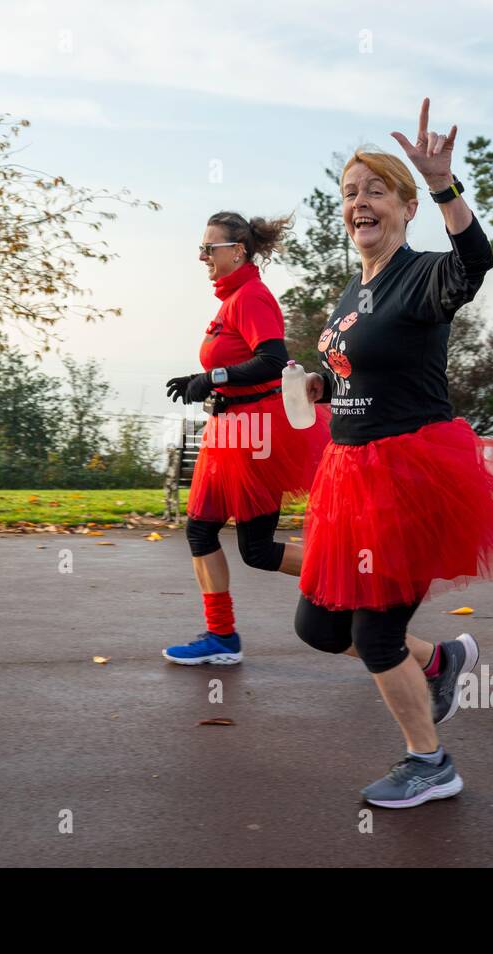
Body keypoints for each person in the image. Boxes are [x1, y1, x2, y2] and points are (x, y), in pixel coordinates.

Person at [294, 100, 493, 808]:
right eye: (351, 192)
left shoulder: (423, 274)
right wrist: (319, 383)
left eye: (376, 190)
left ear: (406, 204)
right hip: (349, 473)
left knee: (375, 630)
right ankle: (442, 660)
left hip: (410, 475)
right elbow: (363, 368)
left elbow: (475, 262)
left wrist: (448, 185)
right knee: (319, 626)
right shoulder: (353, 289)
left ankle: (431, 762)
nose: (361, 202)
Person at [163, 211, 330, 665]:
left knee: (255, 549)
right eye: (201, 248)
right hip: (229, 432)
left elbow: (273, 359)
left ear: (237, 251)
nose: (202, 256)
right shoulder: (230, 298)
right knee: (200, 531)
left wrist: (211, 376)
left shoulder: (251, 297)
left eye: (208, 248)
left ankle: (344, 577)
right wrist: (209, 382)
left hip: (255, 434)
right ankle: (221, 637)